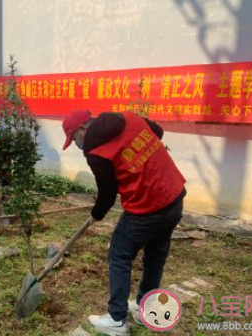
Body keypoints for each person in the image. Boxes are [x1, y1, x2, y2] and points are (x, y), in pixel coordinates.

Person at [62, 110, 186, 336]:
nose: (76, 145)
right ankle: (144, 307)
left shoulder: (95, 151)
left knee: (119, 255)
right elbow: (157, 131)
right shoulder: (129, 117)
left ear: (82, 129)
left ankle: (117, 320)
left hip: (147, 207)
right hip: (174, 195)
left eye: (73, 140)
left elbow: (108, 193)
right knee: (156, 253)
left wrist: (96, 215)